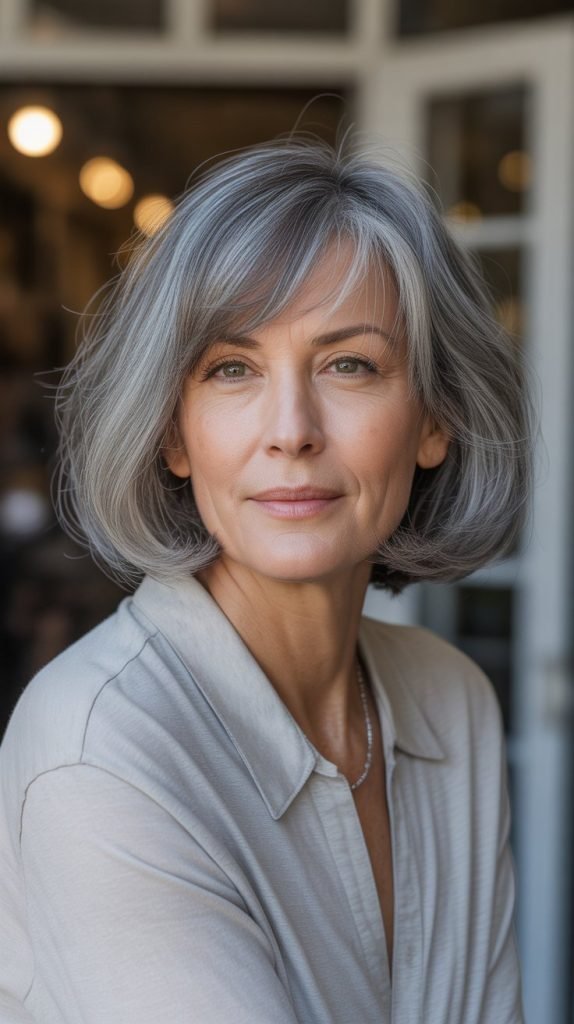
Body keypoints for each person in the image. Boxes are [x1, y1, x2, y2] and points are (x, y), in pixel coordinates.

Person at [0, 134, 535, 1023]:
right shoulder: (99, 751)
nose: (291, 429)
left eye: (349, 364)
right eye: (232, 369)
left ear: (435, 420)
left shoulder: (453, 703)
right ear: (174, 434)